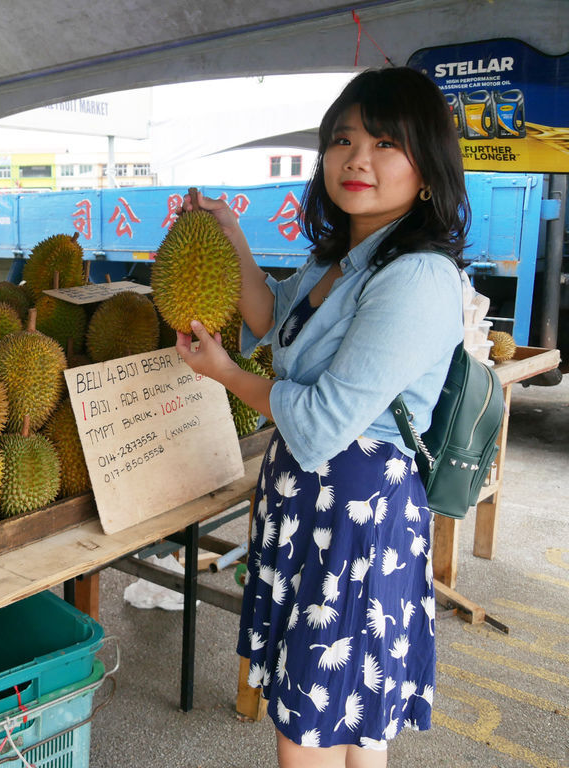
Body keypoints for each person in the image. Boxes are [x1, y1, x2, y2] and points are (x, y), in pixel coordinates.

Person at [175, 67, 468, 767]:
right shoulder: (340, 260)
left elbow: (321, 421)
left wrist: (225, 375)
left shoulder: (419, 277)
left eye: (386, 143)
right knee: (353, 720)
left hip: (357, 521)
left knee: (312, 722)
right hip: (314, 506)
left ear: (426, 169)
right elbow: (274, 319)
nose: (357, 158)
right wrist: (230, 233)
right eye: (343, 139)